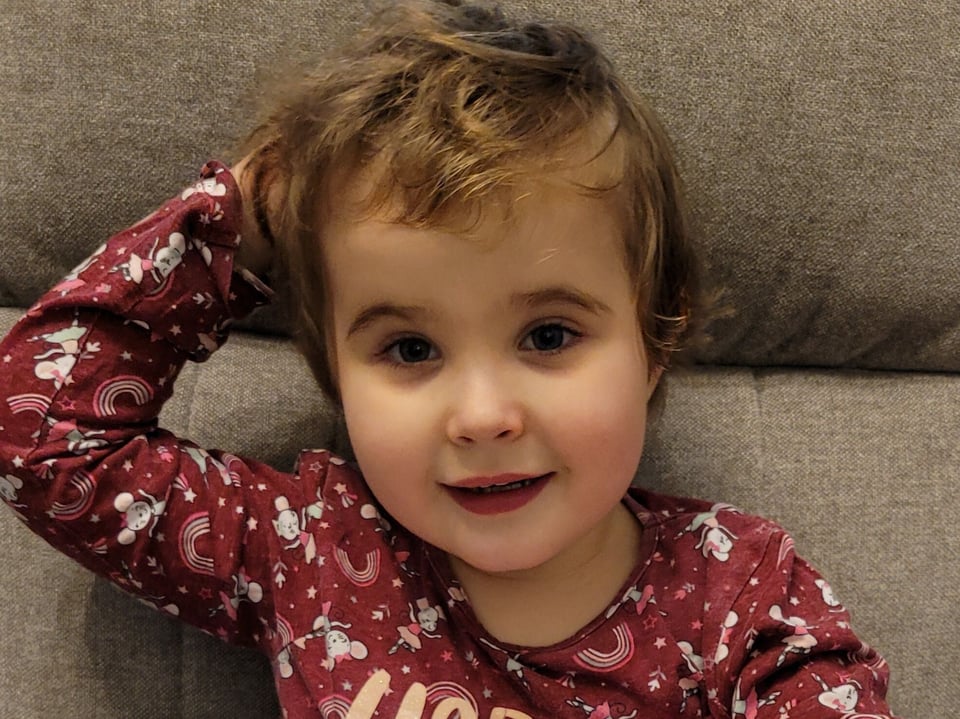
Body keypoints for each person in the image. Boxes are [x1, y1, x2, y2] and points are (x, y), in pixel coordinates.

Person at [0, 2, 899, 718]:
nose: (481, 416)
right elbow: (37, 434)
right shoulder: (310, 545)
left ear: (655, 339)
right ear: (336, 375)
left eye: (549, 336)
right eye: (409, 348)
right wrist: (244, 214)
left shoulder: (739, 590)